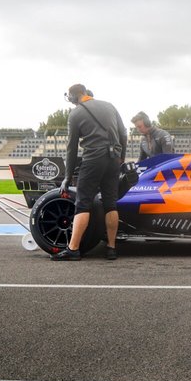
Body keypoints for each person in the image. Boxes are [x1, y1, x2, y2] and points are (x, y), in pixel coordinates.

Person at [52, 84, 127, 261]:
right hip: (113, 158)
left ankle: (73, 249)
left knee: (83, 204)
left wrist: (67, 177)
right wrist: (121, 156)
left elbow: (71, 148)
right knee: (111, 203)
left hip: (93, 159)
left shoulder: (76, 113)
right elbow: (123, 134)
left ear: (73, 96)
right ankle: (111, 248)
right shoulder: (109, 105)